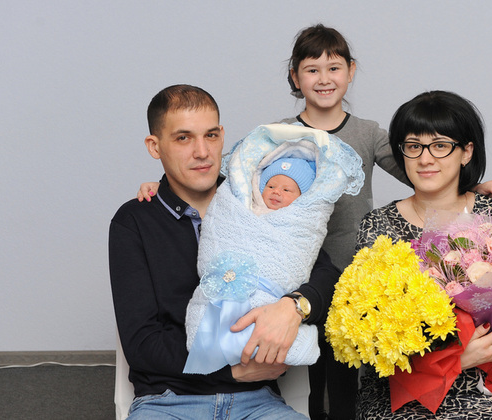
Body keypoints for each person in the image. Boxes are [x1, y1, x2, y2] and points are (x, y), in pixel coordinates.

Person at [136, 25, 492, 420]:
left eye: (334, 68)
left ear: (350, 71)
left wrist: (473, 184)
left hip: (355, 271)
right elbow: (238, 181)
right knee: (311, 371)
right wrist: (165, 186)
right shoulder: (279, 134)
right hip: (297, 273)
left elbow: (422, 167)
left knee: (351, 369)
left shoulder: (367, 133)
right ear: (295, 77)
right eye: (311, 70)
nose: (324, 78)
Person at [109, 84, 341, 419]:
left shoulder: (259, 200)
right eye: (183, 138)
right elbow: (142, 343)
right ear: (154, 146)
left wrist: (294, 307)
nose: (202, 152)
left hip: (258, 401)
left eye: (211, 135)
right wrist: (230, 372)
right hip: (168, 402)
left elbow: (327, 276)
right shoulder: (134, 221)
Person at [355, 90, 492, 419]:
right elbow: (371, 333)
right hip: (407, 387)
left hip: (491, 380)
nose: (425, 159)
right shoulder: (378, 226)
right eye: (414, 146)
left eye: (440, 145)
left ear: (466, 152)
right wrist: (457, 359)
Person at [183, 123, 364, 376]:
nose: (276, 192)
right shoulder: (239, 203)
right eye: (270, 186)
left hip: (272, 304)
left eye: (287, 189)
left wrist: (294, 305)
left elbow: (327, 276)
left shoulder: (297, 220)